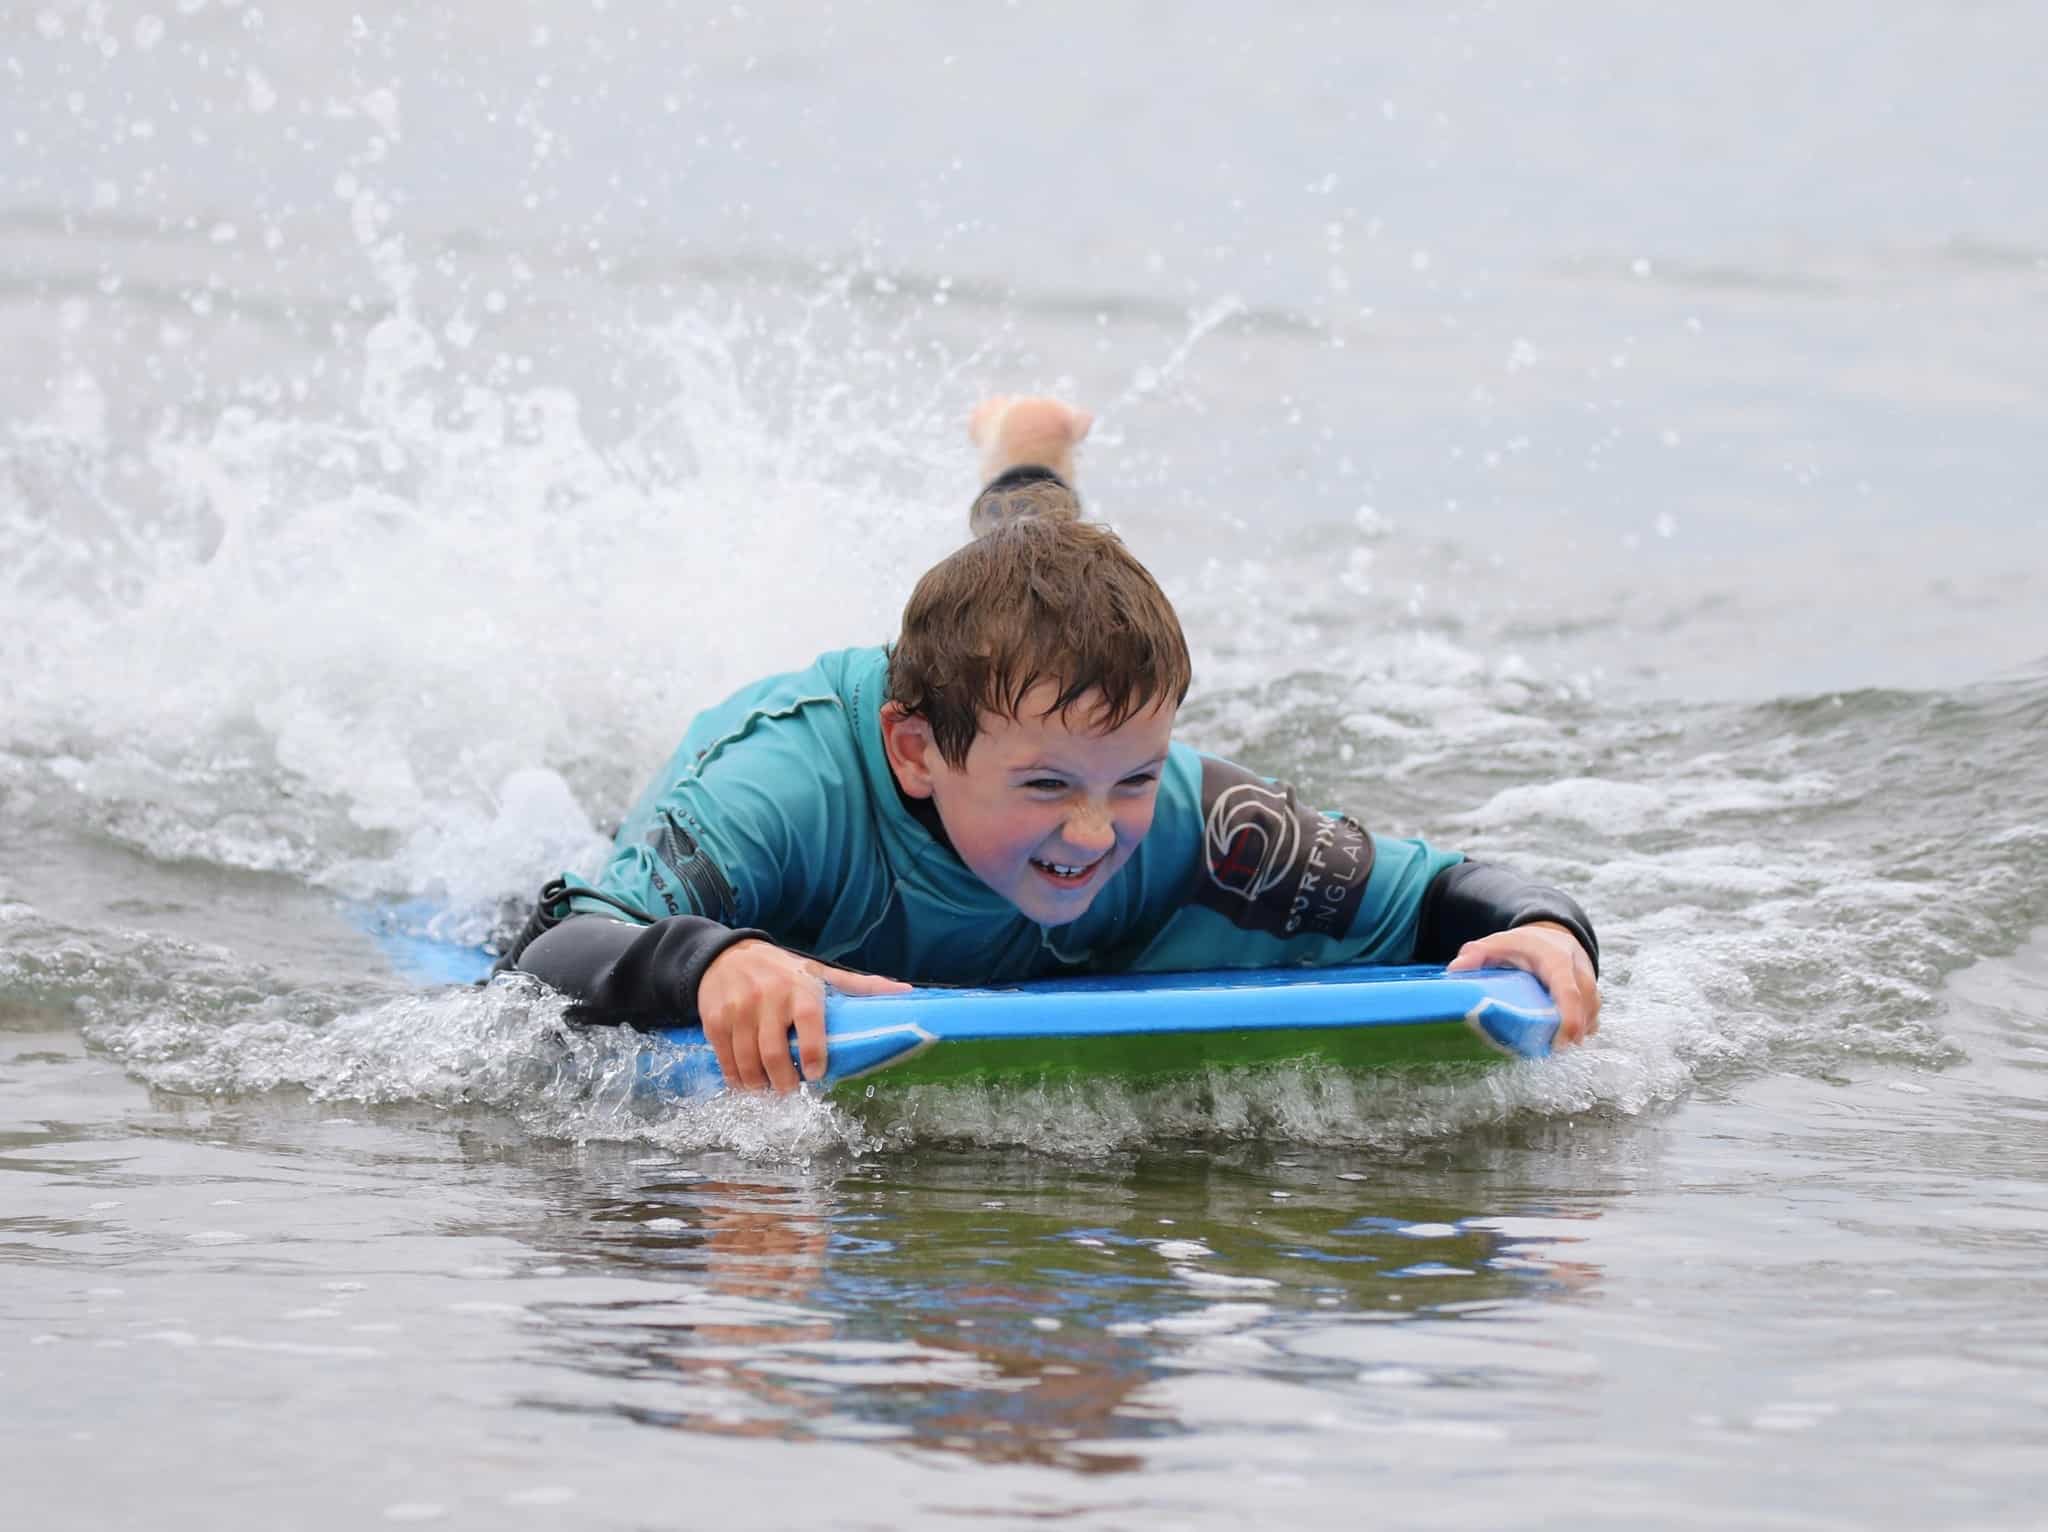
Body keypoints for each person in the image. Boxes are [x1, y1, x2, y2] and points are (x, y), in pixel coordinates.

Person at [504, 396, 1601, 1091]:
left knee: (1040, 610)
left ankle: (1026, 471)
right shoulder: (781, 791)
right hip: (747, 813)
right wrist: (716, 957)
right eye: (1044, 785)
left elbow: (1447, 893)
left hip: (1003, 701)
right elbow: (550, 945)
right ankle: (1020, 468)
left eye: (1132, 775)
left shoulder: (1185, 817)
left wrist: (1547, 926)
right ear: (915, 751)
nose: (1092, 828)